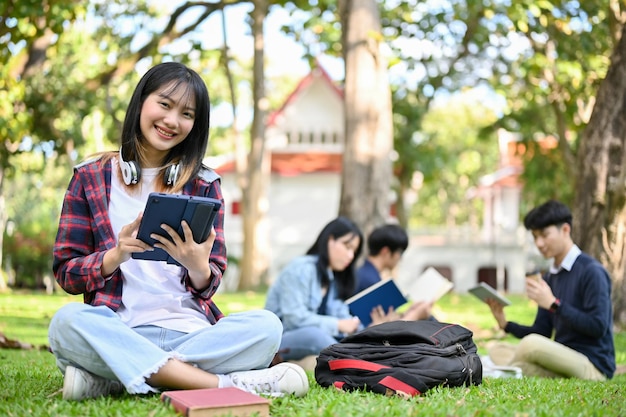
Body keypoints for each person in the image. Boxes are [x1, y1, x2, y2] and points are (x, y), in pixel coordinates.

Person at [48, 62, 308, 401]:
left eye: (187, 114)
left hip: (191, 333)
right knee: (66, 323)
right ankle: (225, 386)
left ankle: (114, 377)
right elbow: (67, 273)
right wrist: (116, 254)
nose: (172, 121)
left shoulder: (204, 184)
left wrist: (197, 265)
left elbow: (210, 278)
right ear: (142, 101)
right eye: (165, 104)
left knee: (268, 327)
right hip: (120, 329)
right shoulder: (90, 177)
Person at [485, 199, 615, 380]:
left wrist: (554, 304)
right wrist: (505, 324)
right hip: (561, 357)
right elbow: (542, 332)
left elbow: (598, 327)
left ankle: (514, 369)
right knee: (497, 350)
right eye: (535, 236)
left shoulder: (592, 271)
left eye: (544, 235)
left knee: (530, 345)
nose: (539, 243)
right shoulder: (549, 277)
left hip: (592, 364)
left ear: (565, 230)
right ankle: (521, 369)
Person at [264, 217, 363, 365]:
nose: (351, 256)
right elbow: (294, 319)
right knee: (315, 335)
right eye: (347, 247)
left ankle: (356, 359)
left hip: (316, 339)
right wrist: (338, 325)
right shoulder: (301, 268)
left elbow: (341, 315)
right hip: (279, 338)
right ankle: (353, 362)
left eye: (354, 251)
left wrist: (358, 327)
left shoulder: (333, 278)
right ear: (330, 240)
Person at [355, 224, 433, 323]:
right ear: (385, 252)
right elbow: (380, 328)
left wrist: (409, 312)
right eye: (400, 253)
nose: (400, 258)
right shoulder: (370, 281)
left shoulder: (365, 273)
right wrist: (414, 315)